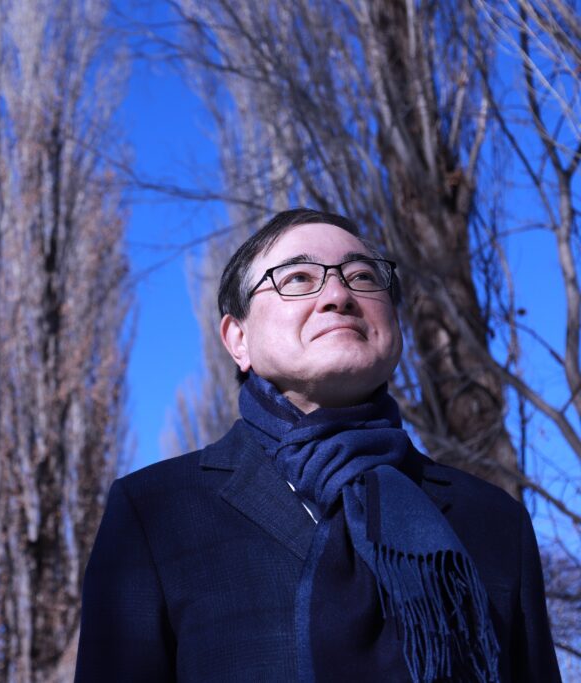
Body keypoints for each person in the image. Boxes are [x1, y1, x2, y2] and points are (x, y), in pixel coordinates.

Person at [74, 209, 560, 682]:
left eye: (363, 277)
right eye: (299, 278)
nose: (338, 294)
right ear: (237, 339)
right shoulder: (157, 512)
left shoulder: (493, 520)